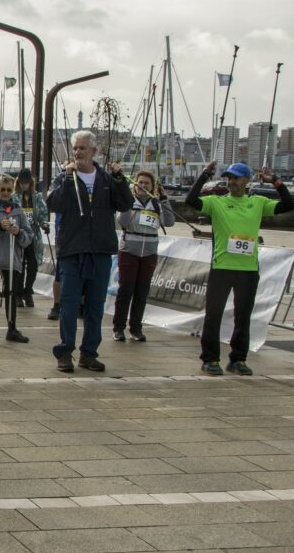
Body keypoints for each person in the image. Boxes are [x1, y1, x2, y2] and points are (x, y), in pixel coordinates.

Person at [186, 161, 294, 375]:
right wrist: (205, 174)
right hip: (222, 268)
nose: (231, 182)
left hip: (248, 270)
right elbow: (191, 200)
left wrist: (275, 181)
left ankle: (238, 359)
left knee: (243, 317)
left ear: (246, 180)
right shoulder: (216, 202)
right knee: (213, 315)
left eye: (236, 178)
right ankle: (210, 359)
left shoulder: (258, 202)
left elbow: (288, 205)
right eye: (229, 178)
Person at [46, 130, 134, 374]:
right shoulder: (64, 177)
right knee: (69, 304)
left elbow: (125, 203)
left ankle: (89, 353)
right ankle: (65, 351)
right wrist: (67, 178)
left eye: (82, 148)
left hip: (100, 251)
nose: (78, 153)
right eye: (75, 148)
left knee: (96, 306)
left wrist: (120, 180)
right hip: (72, 250)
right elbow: (53, 203)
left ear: (94, 151)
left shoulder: (106, 179)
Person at [113, 171, 175, 342]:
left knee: (141, 292)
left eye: (147, 183)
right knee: (125, 290)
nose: (143, 185)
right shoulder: (129, 200)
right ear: (135, 184)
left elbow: (169, 222)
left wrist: (164, 199)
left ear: (152, 186)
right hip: (129, 251)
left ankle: (136, 328)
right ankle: (118, 328)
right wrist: (127, 202)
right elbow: (122, 222)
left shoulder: (156, 203)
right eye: (140, 182)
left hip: (149, 252)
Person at [0, 174, 33, 343]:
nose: (5, 193)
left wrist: (18, 233)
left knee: (11, 293)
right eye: (2, 189)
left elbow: (28, 237)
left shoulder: (18, 210)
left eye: (8, 190)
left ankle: (12, 328)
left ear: (12, 190)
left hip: (12, 258)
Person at [15, 168, 48, 307]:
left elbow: (43, 213)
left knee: (33, 265)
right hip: (19, 235)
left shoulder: (37, 197)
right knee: (19, 265)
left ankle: (28, 290)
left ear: (30, 182)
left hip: (33, 235)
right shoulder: (14, 197)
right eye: (22, 182)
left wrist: (44, 223)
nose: (24, 185)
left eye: (26, 182)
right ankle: (18, 294)